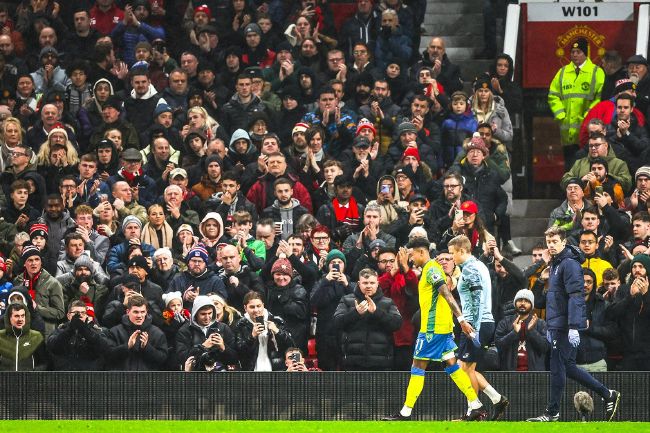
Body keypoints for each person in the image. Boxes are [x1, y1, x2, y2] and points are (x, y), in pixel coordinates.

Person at [382, 237, 488, 421]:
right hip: (442, 328)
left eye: (412, 254)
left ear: (421, 252)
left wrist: (461, 319)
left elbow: (446, 293)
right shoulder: (428, 270)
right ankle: (476, 404)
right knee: (453, 366)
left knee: (417, 366)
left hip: (433, 329)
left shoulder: (431, 269)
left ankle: (405, 412)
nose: (411, 259)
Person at [527, 226, 620, 422]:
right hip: (557, 326)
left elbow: (576, 296)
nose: (551, 246)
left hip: (564, 326)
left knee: (558, 367)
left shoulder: (568, 264)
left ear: (563, 242)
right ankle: (607, 394)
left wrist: (572, 327)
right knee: (567, 367)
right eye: (548, 242)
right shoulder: (556, 264)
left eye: (554, 242)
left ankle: (552, 413)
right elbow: (555, 299)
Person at [448, 234, 509, 420]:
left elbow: (476, 298)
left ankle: (474, 411)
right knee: (469, 368)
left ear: (462, 250)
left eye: (452, 254)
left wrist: (471, 328)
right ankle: (496, 398)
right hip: (484, 322)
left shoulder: (469, 269)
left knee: (463, 369)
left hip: (477, 323)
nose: (451, 258)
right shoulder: (478, 265)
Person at [548, 38, 605, 170]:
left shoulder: (596, 72)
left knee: (588, 167)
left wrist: (588, 117)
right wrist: (561, 114)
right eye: (572, 52)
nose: (574, 55)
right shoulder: (562, 72)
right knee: (570, 168)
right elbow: (553, 95)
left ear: (586, 53)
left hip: (588, 133)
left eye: (578, 52)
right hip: (567, 134)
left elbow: (599, 97)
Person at [333, 268, 402, 371]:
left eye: (372, 283)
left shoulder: (388, 302)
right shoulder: (347, 300)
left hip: (381, 362)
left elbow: (397, 324)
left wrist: (376, 312)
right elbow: (336, 322)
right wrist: (355, 313)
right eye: (365, 283)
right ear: (359, 283)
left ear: (377, 283)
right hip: (352, 362)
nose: (369, 286)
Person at [104, 294, 168, 371]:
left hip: (147, 380)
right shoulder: (115, 331)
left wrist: (147, 347)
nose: (139, 315)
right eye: (136, 312)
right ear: (128, 312)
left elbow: (163, 360)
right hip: (121, 380)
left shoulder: (157, 333)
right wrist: (126, 347)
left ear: (146, 312)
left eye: (142, 312)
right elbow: (107, 356)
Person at [233, 291, 294, 371]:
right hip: (251, 369)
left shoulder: (277, 321)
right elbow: (239, 351)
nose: (256, 310)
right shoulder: (240, 324)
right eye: (252, 307)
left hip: (275, 367)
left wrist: (277, 331)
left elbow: (291, 345)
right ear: (245, 308)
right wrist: (252, 337)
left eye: (259, 306)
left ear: (263, 305)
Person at [175, 295, 238, 371]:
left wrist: (223, 348)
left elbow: (235, 359)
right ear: (195, 313)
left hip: (219, 376)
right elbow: (182, 358)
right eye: (203, 314)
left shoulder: (223, 328)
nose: (207, 317)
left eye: (210, 313)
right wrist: (203, 347)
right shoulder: (185, 330)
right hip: (196, 377)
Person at [494, 289, 549, 371]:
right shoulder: (505, 322)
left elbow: (545, 347)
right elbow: (499, 345)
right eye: (520, 300)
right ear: (515, 303)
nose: (523, 303)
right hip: (509, 372)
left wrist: (532, 331)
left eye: (526, 301)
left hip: (534, 373)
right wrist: (514, 332)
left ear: (532, 304)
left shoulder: (540, 323)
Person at [46, 300, 108, 371]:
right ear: (69, 316)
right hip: (64, 376)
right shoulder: (60, 331)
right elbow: (53, 347)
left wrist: (85, 331)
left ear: (86, 316)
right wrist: (70, 330)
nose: (80, 315)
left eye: (83, 313)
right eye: (76, 313)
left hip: (89, 377)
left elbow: (104, 349)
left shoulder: (96, 331)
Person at [0, 302, 45, 371]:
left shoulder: (36, 337)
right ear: (9, 318)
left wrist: (33, 374)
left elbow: (45, 363)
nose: (20, 319)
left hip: (29, 380)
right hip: (5, 380)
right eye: (17, 316)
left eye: (23, 316)